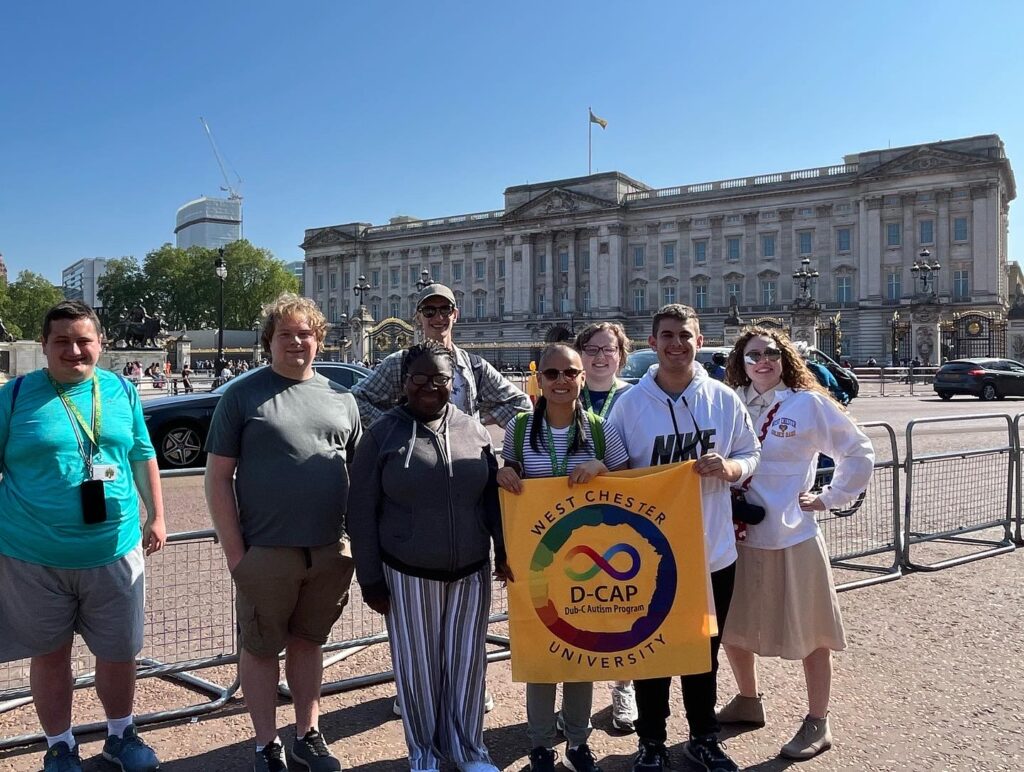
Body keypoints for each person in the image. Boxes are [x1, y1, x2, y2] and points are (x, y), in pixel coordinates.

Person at [0, 300, 166, 772]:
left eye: (83, 340)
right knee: (50, 656)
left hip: (112, 549)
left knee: (119, 654)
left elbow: (141, 451)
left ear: (100, 343)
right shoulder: (13, 396)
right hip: (32, 554)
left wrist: (158, 514)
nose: (74, 350)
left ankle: (120, 735)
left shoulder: (120, 389)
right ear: (46, 346)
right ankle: (59, 744)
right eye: (62, 342)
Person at [204, 293, 361, 772]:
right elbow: (217, 478)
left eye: (306, 334)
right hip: (265, 549)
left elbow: (356, 472)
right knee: (259, 648)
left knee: (310, 643)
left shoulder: (342, 398)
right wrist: (237, 556)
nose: (297, 342)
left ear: (319, 340)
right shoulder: (242, 394)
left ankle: (307, 732)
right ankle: (265, 741)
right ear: (269, 341)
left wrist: (353, 544)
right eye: (286, 334)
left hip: (329, 548)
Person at [606, 304, 760, 772]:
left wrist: (731, 469)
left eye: (686, 336)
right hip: (653, 555)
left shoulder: (723, 398)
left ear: (699, 339)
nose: (677, 344)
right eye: (668, 335)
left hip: (712, 550)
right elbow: (613, 474)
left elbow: (750, 452)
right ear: (652, 342)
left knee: (703, 652)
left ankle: (703, 736)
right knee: (652, 652)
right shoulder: (628, 406)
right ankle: (652, 740)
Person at [347, 340, 504, 772]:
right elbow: (360, 511)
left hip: (471, 570)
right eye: (420, 378)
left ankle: (469, 748)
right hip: (409, 572)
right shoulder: (383, 434)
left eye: (439, 379)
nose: (429, 387)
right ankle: (425, 753)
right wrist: (370, 579)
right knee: (418, 672)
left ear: (452, 383)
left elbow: (489, 499)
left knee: (467, 666)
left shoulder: (472, 428)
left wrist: (503, 551)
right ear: (404, 383)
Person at [718, 328, 874, 760]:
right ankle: (747, 699)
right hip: (737, 533)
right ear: (740, 360)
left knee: (812, 630)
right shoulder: (732, 402)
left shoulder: (808, 404)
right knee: (732, 625)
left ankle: (817, 720)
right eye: (753, 355)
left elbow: (858, 450)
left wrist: (829, 497)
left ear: (785, 358)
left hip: (791, 531)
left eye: (770, 353)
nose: (762, 362)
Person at [497, 343, 630, 772]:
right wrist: (503, 472)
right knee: (540, 653)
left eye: (569, 373)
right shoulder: (519, 428)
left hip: (584, 558)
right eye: (551, 373)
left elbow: (629, 486)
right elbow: (507, 474)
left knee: (580, 651)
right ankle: (539, 742)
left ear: (581, 377)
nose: (560, 381)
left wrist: (603, 470)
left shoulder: (600, 428)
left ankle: (577, 740)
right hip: (536, 559)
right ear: (539, 378)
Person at [572, 322, 637, 734]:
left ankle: (624, 685)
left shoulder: (635, 397)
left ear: (620, 355)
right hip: (573, 520)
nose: (600, 356)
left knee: (623, 604)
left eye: (608, 349)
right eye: (591, 349)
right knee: (577, 605)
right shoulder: (560, 391)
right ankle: (575, 699)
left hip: (624, 518)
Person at [351, 283, 530, 428]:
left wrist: (477, 423)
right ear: (418, 317)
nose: (438, 317)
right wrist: (393, 427)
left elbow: (521, 403)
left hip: (464, 463)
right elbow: (355, 400)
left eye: (445, 310)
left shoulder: (475, 366)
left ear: (455, 315)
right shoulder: (399, 363)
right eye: (429, 311)